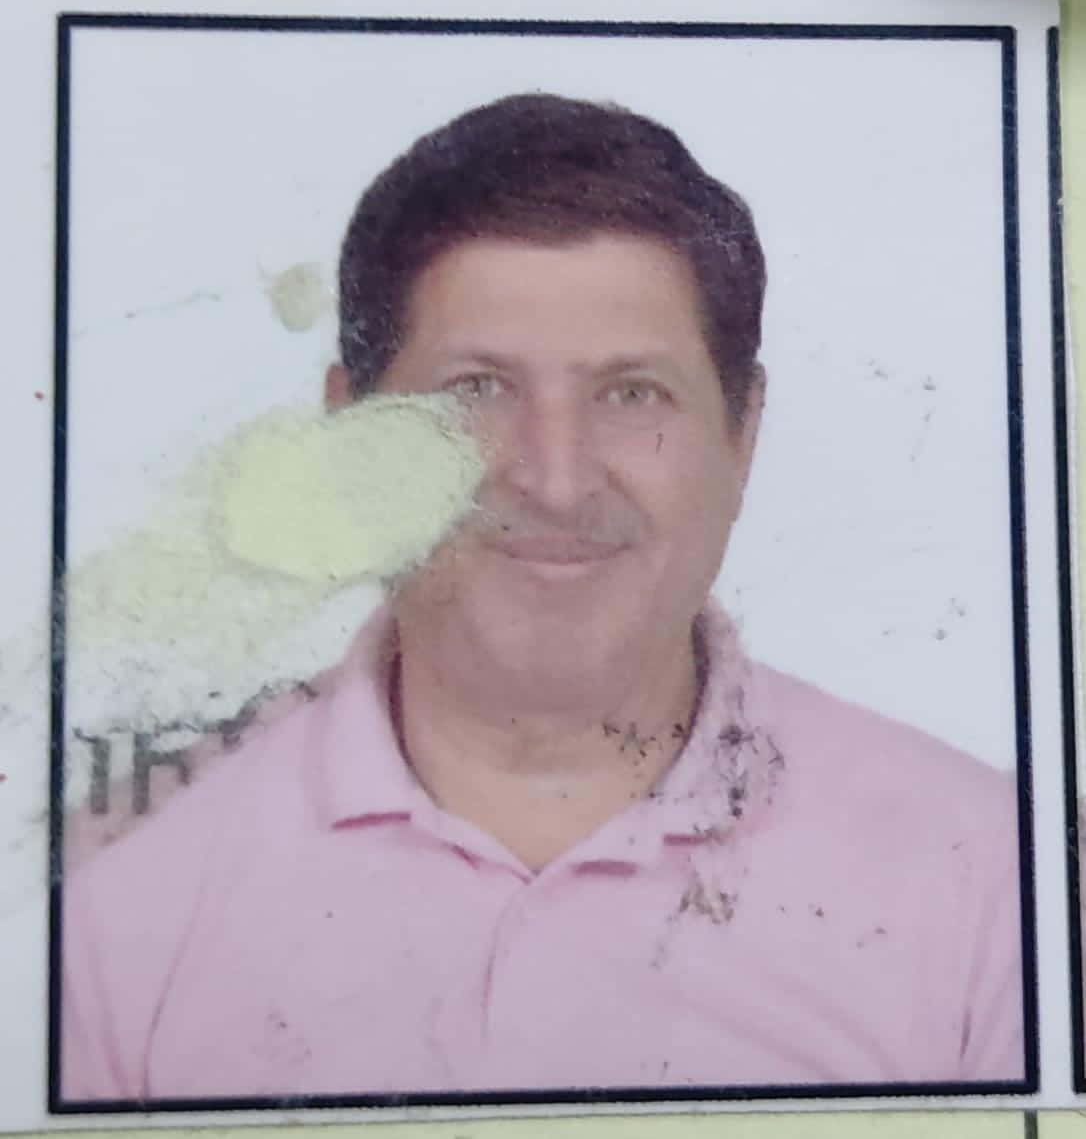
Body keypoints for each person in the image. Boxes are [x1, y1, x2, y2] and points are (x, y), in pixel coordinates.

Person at [60, 93, 1024, 1101]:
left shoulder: (1000, 875)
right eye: (476, 389)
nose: (556, 481)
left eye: (632, 392)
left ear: (742, 434)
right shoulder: (102, 885)